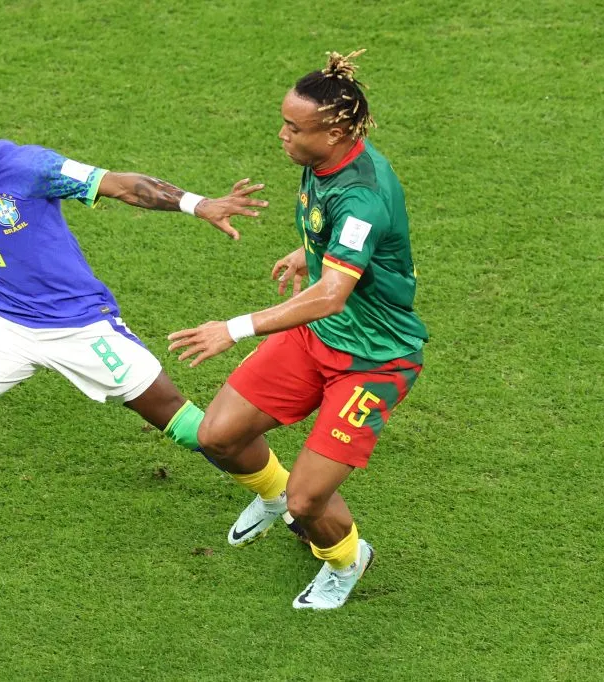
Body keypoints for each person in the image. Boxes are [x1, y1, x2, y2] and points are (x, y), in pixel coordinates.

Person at [0, 90, 281, 590]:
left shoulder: (29, 167)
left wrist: (198, 204)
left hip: (79, 325)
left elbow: (122, 186)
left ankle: (285, 497)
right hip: (3, 323)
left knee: (193, 428)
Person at [168, 50, 428, 610]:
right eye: (284, 122)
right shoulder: (324, 160)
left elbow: (334, 295)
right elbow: (347, 257)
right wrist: (313, 253)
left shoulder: (362, 197)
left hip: (374, 359)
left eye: (294, 127)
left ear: (334, 131)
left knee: (308, 502)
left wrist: (234, 328)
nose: (282, 135)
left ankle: (346, 559)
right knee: (218, 435)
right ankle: (269, 495)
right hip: (318, 337)